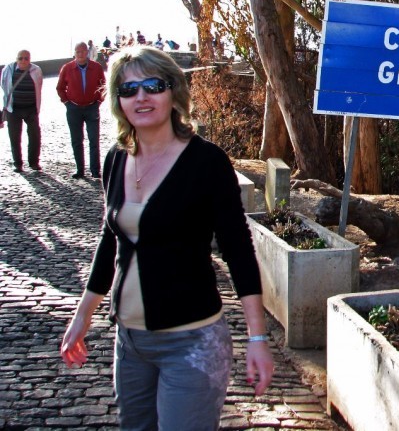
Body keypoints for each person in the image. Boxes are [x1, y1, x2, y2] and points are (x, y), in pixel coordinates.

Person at [60, 46, 274, 430]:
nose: (141, 97)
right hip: (129, 343)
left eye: (152, 85)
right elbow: (111, 243)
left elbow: (239, 250)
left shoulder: (206, 162)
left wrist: (257, 338)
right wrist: (82, 318)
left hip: (191, 343)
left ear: (173, 92)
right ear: (118, 101)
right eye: (128, 90)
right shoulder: (115, 158)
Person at [56, 42, 106, 179]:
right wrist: (66, 102)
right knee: (77, 140)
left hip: (91, 107)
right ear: (75, 53)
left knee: (94, 140)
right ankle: (80, 170)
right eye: (78, 51)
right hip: (74, 109)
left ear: (87, 52)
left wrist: (99, 101)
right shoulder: (67, 68)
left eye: (83, 51)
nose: (81, 54)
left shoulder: (96, 67)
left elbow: (104, 86)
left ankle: (95, 170)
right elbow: (60, 87)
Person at [1, 50, 43, 172]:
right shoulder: (8, 70)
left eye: (26, 58)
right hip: (13, 109)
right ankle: (17, 163)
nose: (23, 61)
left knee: (35, 136)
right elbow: (4, 85)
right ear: (16, 59)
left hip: (31, 108)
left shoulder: (36, 70)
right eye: (21, 58)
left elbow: (39, 86)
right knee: (14, 137)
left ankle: (34, 162)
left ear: (30, 59)